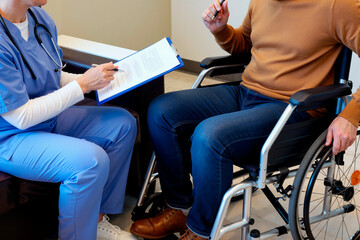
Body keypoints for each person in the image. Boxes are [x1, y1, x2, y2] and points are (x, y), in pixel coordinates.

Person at [130, 0, 360, 239]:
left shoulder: (338, 5)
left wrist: (350, 115)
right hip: (247, 92)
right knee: (162, 110)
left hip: (292, 109)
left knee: (209, 135)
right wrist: (221, 30)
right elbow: (245, 46)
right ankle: (180, 208)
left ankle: (201, 230)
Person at [0, 1, 138, 240]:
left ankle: (96, 222)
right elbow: (21, 117)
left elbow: (53, 72)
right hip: (10, 136)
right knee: (90, 162)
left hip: (46, 119)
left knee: (122, 124)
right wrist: (82, 85)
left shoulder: (40, 18)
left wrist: (94, 80)